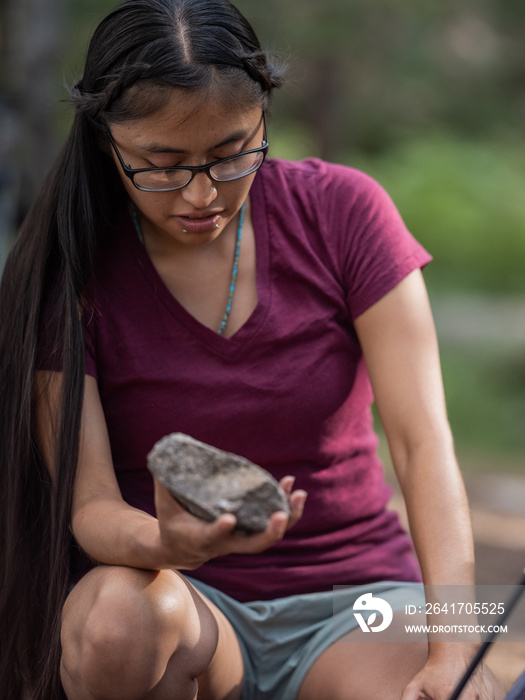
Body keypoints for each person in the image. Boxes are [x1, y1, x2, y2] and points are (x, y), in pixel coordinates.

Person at [0, 1, 506, 699]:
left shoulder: (342, 214)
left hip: (357, 604)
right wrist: (165, 545)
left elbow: (423, 446)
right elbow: (89, 508)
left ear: (263, 115)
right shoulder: (72, 272)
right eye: (163, 164)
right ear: (106, 141)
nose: (203, 194)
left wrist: (455, 646)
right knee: (114, 618)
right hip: (187, 604)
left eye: (231, 151)